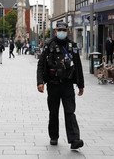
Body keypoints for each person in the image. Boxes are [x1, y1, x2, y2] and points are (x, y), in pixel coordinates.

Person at [37, 22, 84, 150]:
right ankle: (54, 136)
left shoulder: (72, 46)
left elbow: (78, 65)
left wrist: (81, 84)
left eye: (64, 30)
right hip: (53, 85)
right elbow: (41, 64)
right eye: (59, 30)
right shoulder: (49, 45)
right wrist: (40, 82)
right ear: (55, 31)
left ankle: (74, 139)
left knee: (70, 112)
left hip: (68, 85)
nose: (61, 32)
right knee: (53, 112)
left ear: (67, 32)